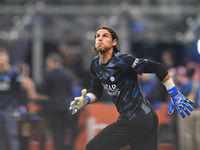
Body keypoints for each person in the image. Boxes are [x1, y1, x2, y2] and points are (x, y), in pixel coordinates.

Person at [69, 26, 194, 150]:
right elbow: (96, 91)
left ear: (114, 42)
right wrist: (86, 100)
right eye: (97, 36)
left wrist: (175, 94)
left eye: (104, 36)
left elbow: (157, 67)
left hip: (137, 119)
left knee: (94, 147)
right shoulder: (95, 64)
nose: (99, 39)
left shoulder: (123, 60)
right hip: (141, 118)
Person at [41, 52, 81, 150]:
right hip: (66, 106)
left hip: (54, 107)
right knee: (64, 131)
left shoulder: (49, 75)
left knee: (56, 132)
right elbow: (71, 90)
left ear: (53, 62)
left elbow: (46, 90)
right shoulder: (69, 74)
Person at [0, 48, 21, 150]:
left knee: (13, 133)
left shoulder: (13, 72)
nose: (1, 59)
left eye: (3, 56)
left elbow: (17, 89)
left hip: (9, 106)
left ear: (7, 58)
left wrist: (15, 104)